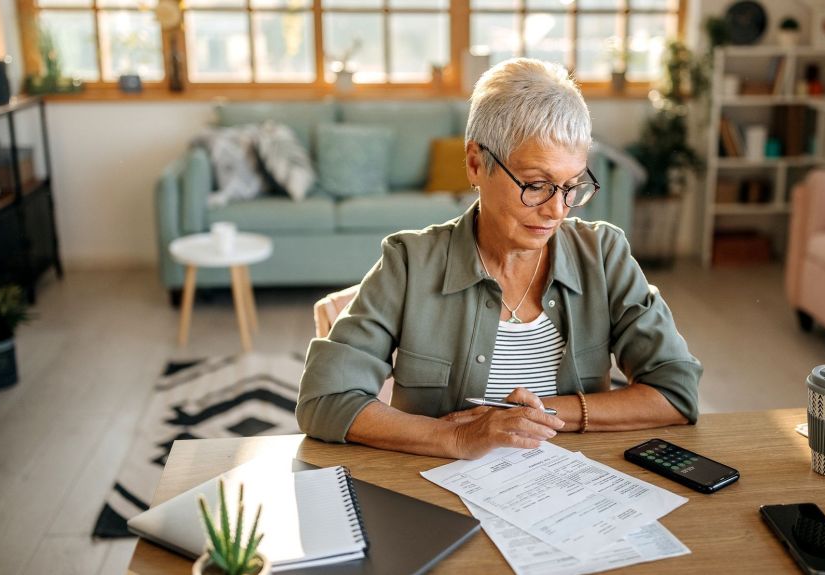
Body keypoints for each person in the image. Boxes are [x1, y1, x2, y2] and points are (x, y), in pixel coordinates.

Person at [297, 58, 701, 460]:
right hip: (439, 498)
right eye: (537, 184)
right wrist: (455, 438)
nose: (557, 210)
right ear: (476, 163)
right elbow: (323, 400)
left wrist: (537, 416)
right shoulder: (409, 263)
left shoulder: (604, 255)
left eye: (571, 186)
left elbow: (675, 392)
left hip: (575, 494)